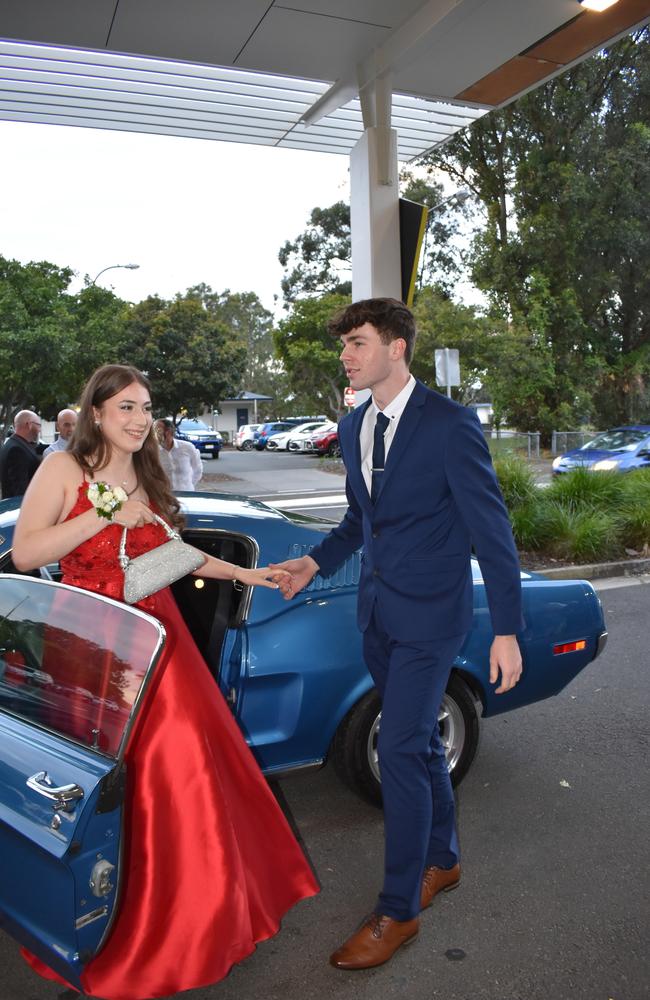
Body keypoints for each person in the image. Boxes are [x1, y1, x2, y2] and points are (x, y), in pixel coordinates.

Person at [12, 364, 318, 1000]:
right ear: (94, 411)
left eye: (145, 408)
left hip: (156, 639)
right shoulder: (63, 469)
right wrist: (102, 517)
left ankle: (193, 917)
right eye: (125, 407)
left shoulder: (145, 475)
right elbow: (26, 555)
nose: (138, 419)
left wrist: (249, 577)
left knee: (185, 773)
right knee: (96, 792)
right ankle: (101, 917)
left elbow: (170, 555)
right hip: (90, 644)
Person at [273, 298, 523, 971]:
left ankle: (398, 910)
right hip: (378, 615)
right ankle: (442, 858)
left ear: (396, 347)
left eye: (357, 343)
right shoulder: (355, 425)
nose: (346, 356)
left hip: (433, 621)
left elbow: (492, 532)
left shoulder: (449, 426)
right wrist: (311, 563)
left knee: (406, 746)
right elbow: (362, 521)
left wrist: (506, 630)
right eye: (345, 346)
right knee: (413, 750)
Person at [0, 409, 42, 498]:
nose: (39, 430)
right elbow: (20, 489)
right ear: (29, 425)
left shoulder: (14, 444)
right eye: (38, 425)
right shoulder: (17, 450)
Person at [155, 416, 203, 491]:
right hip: (164, 497)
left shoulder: (187, 447)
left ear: (169, 432)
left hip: (187, 496)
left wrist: (188, 486)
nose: (155, 434)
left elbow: (198, 470)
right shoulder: (153, 451)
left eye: (158, 430)